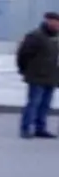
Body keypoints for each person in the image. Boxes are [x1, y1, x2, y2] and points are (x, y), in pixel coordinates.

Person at [15, 11, 59, 139]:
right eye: (54, 22)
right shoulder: (35, 36)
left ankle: (40, 128)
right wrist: (24, 70)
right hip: (36, 76)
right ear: (47, 21)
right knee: (33, 103)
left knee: (45, 104)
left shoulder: (56, 38)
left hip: (51, 77)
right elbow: (23, 55)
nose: (56, 25)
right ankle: (25, 128)